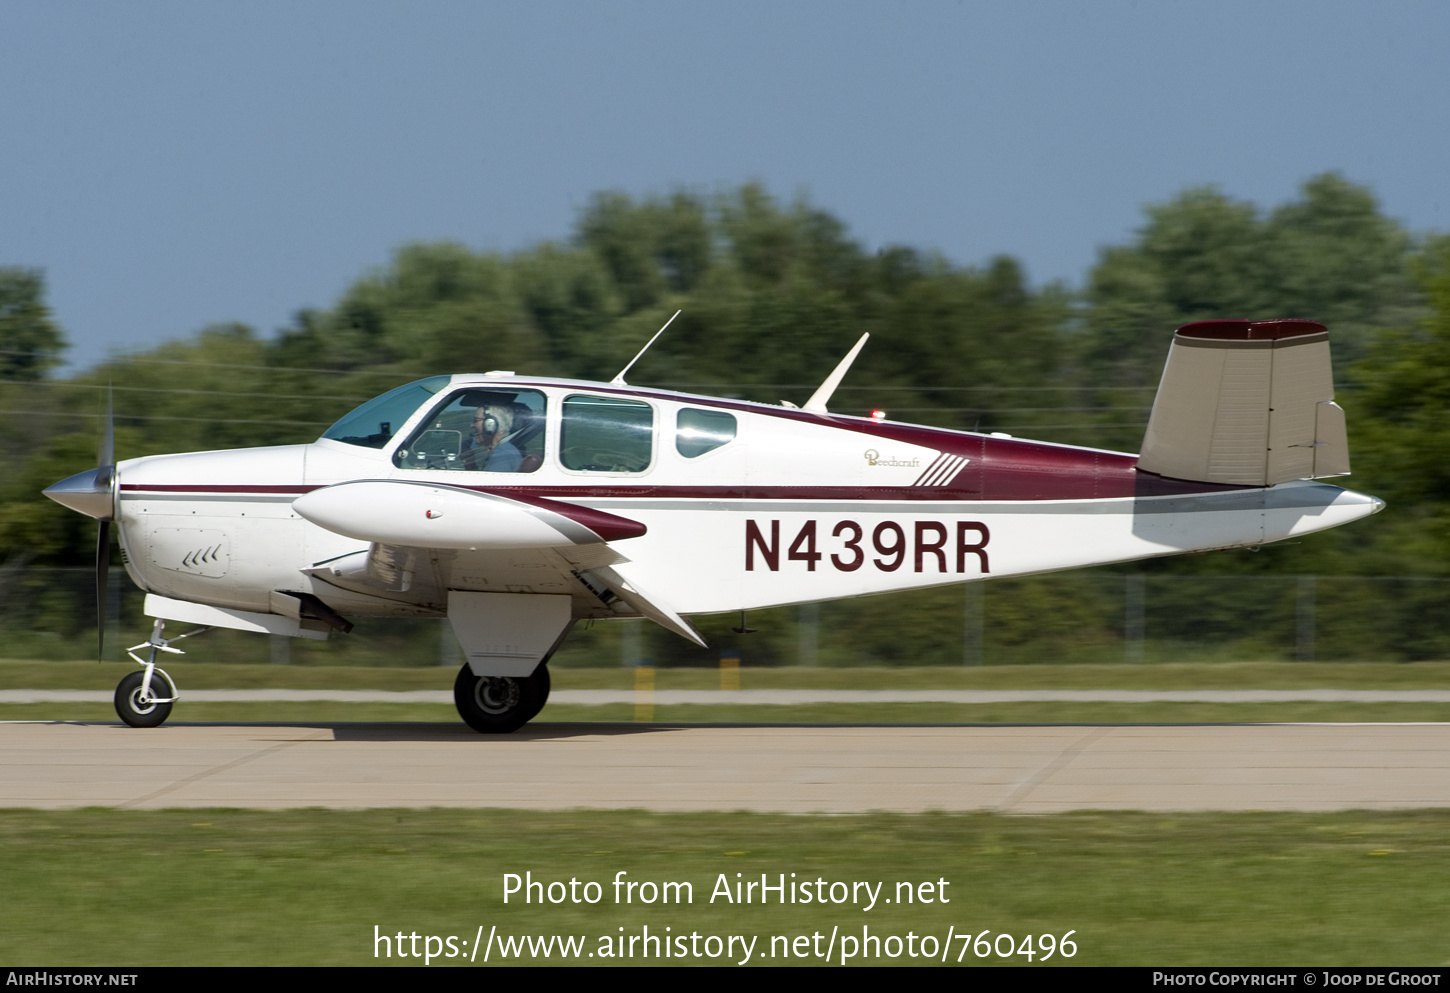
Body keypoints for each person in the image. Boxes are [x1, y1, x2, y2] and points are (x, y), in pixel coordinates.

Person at [461, 403, 522, 471]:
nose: (472, 425)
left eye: (476, 420)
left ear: (490, 424)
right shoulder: (503, 450)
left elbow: (489, 481)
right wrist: (470, 464)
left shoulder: (501, 454)